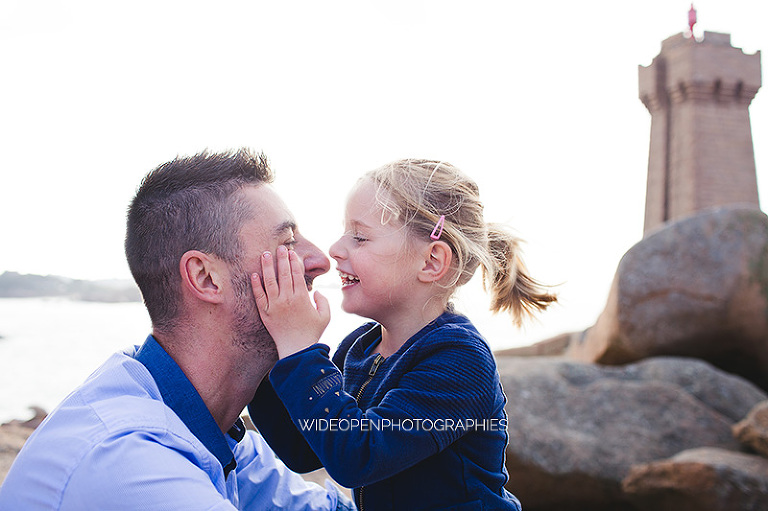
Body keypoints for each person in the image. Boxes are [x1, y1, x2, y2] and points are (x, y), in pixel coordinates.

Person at [0, 149, 354, 510]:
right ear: (205, 278)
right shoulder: (127, 460)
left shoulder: (212, 428)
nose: (320, 261)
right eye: (288, 244)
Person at [249, 159, 557, 510]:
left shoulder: (459, 360)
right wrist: (265, 358)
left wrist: (300, 349)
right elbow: (303, 450)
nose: (334, 248)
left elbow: (359, 457)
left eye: (360, 237)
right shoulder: (360, 348)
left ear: (431, 262)